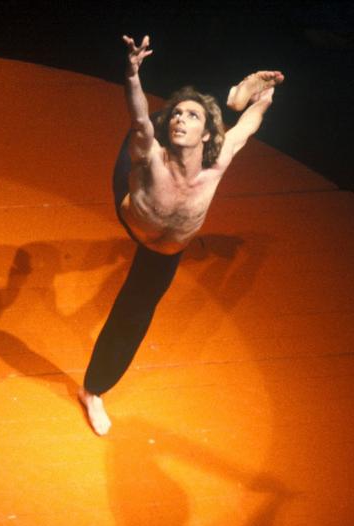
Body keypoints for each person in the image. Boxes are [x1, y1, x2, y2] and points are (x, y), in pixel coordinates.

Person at [77, 35, 282, 435]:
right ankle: (219, 98)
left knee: (133, 316)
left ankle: (93, 390)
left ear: (208, 135)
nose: (181, 120)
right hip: (133, 196)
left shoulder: (218, 159)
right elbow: (139, 120)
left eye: (191, 118)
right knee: (144, 129)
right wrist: (133, 76)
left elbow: (248, 127)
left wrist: (263, 96)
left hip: (164, 249)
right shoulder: (151, 152)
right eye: (178, 116)